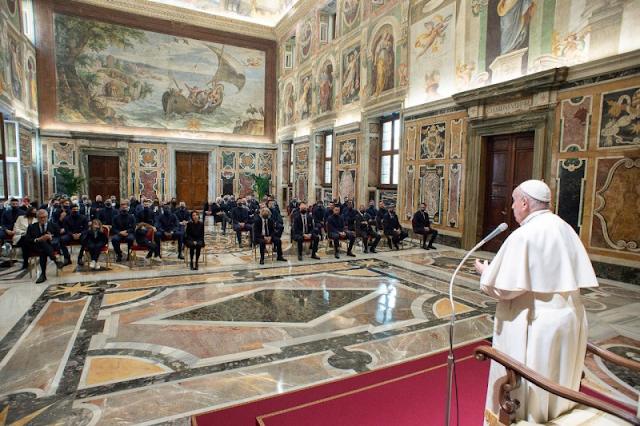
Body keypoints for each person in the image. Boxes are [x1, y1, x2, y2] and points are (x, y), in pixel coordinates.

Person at [474, 180, 598, 425]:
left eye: (513, 201)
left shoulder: (525, 235)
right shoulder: (564, 228)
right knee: (560, 375)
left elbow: (504, 288)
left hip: (536, 323)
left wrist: (485, 273)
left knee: (535, 380)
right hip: (570, 318)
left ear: (524, 203)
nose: (511, 207)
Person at [27, 209, 64, 283]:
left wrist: (51, 238)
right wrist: (38, 239)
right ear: (37, 217)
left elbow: (59, 238)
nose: (43, 219)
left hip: (51, 246)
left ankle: (43, 274)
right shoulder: (32, 227)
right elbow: (27, 240)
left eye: (44, 217)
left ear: (47, 217)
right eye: (40, 217)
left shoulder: (54, 225)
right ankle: (54, 260)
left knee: (43, 250)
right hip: (36, 246)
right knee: (42, 243)